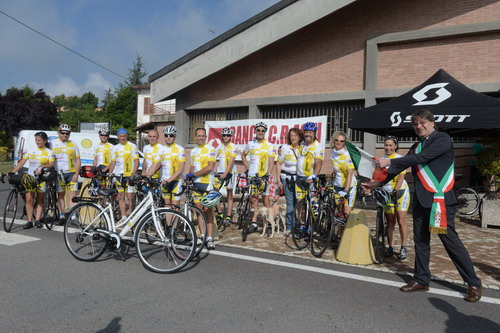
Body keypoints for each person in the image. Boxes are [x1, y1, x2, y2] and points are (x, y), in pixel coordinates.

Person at [362, 109, 482, 303]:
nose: (419, 126)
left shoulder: (442, 139)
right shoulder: (416, 146)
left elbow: (421, 159)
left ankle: (473, 283)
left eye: (422, 122)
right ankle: (421, 279)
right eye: (415, 124)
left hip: (440, 201)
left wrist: (391, 160)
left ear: (432, 123)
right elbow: (399, 167)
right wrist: (376, 183)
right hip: (421, 201)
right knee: (420, 242)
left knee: (451, 243)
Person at [11, 132, 55, 229]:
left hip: (42, 178)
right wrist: (13, 171)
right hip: (31, 178)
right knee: (29, 199)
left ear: (45, 141)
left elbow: (51, 164)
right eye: (36, 140)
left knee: (40, 199)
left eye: (39, 140)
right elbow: (22, 162)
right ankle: (29, 221)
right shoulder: (31, 150)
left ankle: (38, 220)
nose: (37, 142)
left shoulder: (49, 152)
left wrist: (42, 167)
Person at [241, 122, 276, 233]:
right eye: (258, 130)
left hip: (263, 178)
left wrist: (267, 174)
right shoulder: (250, 144)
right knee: (254, 200)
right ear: (255, 131)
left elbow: (271, 162)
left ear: (265, 132)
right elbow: (243, 155)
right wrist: (247, 168)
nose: (260, 132)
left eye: (262, 130)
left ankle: (270, 224)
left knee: (266, 201)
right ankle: (254, 223)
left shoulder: (269, 145)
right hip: (252, 177)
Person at [379, 136, 410, 260]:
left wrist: (396, 190)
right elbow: (377, 177)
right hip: (387, 193)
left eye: (390, 145)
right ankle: (390, 247)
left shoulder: (400, 159)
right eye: (386, 145)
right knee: (390, 222)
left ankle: (403, 247)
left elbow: (401, 177)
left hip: (400, 192)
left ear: (395, 146)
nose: (388, 147)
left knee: (401, 220)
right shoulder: (382, 160)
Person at [186, 128, 217, 249]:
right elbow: (192, 167)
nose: (200, 138)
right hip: (196, 184)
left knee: (208, 210)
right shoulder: (193, 151)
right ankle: (201, 235)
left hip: (207, 184)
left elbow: (210, 167)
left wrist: (194, 175)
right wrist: (189, 177)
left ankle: (209, 238)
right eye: (198, 136)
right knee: (198, 210)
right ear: (195, 137)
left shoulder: (211, 149)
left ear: (206, 137)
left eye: (203, 136)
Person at [146, 126, 185, 207]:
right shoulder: (161, 149)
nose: (168, 137)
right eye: (166, 135)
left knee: (175, 207)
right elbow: (154, 165)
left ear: (175, 136)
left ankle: (177, 220)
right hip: (164, 181)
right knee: (167, 206)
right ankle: (168, 220)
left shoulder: (180, 149)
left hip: (176, 181)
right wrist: (146, 177)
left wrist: (170, 180)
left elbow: (181, 168)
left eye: (171, 135)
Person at [50, 124, 81, 224]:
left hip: (71, 173)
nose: (65, 135)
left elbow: (78, 160)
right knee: (61, 195)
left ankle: (73, 217)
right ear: (58, 132)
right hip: (59, 173)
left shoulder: (73, 144)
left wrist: (77, 173)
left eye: (67, 133)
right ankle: (62, 215)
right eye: (62, 133)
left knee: (73, 195)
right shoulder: (52, 143)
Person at [276, 127, 304, 235]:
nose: (293, 137)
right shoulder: (284, 148)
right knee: (289, 202)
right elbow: (278, 164)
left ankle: (300, 224)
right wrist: (278, 180)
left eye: (295, 135)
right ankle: (289, 226)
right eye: (291, 135)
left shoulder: (303, 148)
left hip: (299, 178)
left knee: (300, 202)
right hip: (286, 178)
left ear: (299, 137)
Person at [108, 128, 139, 221]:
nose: (122, 138)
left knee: (130, 196)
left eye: (124, 136)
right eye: (120, 136)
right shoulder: (115, 148)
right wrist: (110, 172)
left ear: (127, 136)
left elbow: (136, 161)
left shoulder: (132, 146)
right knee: (120, 196)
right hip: (119, 175)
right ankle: (124, 216)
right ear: (118, 137)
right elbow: (113, 162)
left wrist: (133, 173)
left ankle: (132, 215)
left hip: (129, 175)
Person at [330, 131, 356, 219]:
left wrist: (346, 190)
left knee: (346, 214)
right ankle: (341, 233)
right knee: (340, 215)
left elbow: (350, 173)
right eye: (337, 140)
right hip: (337, 186)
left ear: (345, 143)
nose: (339, 142)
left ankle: (347, 232)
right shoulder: (332, 154)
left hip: (350, 187)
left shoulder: (348, 154)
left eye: (341, 141)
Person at [215, 127, 238, 225]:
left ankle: (228, 216)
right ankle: (220, 213)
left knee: (229, 194)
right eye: (224, 135)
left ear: (231, 136)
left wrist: (226, 173)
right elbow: (214, 159)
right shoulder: (219, 147)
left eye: (228, 135)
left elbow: (231, 161)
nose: (226, 137)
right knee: (214, 191)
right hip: (220, 172)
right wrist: (216, 169)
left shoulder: (234, 147)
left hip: (231, 173)